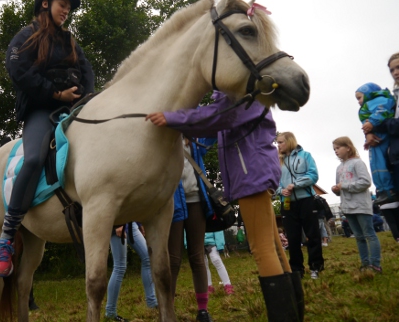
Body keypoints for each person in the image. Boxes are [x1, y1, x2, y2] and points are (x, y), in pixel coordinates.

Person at [146, 91, 304, 322]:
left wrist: (174, 118)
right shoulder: (247, 99)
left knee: (262, 249)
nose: (214, 92)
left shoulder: (241, 99)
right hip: (251, 178)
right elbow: (213, 123)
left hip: (250, 178)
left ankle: (284, 317)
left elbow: (215, 116)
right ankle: (293, 313)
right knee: (273, 247)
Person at [0, 0, 95, 277]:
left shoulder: (71, 41)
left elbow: (87, 74)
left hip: (74, 110)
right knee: (35, 158)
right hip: (42, 110)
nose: (67, 11)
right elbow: (18, 70)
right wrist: (54, 94)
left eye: (70, 7)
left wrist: (84, 98)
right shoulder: (26, 37)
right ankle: (7, 236)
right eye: (63, 4)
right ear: (46, 4)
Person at [167, 137, 215, 322]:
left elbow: (213, 133)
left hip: (196, 202)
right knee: (173, 260)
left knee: (197, 256)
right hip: (173, 204)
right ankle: (168, 311)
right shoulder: (164, 138)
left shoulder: (194, 140)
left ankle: (203, 311)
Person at [276, 132, 324, 280]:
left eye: (281, 142)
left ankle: (316, 267)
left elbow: (313, 175)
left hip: (306, 200)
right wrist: (280, 190)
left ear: (289, 141)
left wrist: (295, 185)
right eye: (277, 143)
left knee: (312, 234)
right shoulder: (278, 161)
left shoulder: (305, 156)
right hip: (287, 203)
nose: (278, 145)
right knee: (293, 237)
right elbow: (274, 181)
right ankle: (297, 269)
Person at [331, 136, 382, 273]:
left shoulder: (358, 163)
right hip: (347, 207)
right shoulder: (339, 168)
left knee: (369, 234)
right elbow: (341, 188)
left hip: (360, 205)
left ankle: (375, 264)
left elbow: (366, 182)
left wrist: (345, 186)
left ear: (348, 147)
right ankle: (365, 264)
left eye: (338, 147)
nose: (336, 151)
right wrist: (336, 189)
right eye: (334, 149)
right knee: (359, 237)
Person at [105, 223, 157, 322]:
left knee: (148, 258)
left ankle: (152, 303)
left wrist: (139, 223)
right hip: (117, 224)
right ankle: (110, 312)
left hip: (129, 223)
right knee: (120, 267)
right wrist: (116, 225)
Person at [355, 82, 396, 205]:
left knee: (381, 164)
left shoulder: (378, 100)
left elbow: (382, 111)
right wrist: (368, 134)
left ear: (369, 94)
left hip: (383, 137)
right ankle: (383, 190)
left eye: (359, 97)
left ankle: (388, 190)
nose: (358, 102)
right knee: (377, 165)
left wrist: (372, 123)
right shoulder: (370, 105)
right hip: (377, 137)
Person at [204, 231, 234, 295]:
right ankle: (208, 286)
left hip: (212, 242)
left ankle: (227, 285)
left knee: (216, 260)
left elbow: (218, 227)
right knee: (203, 264)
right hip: (197, 243)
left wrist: (220, 245)